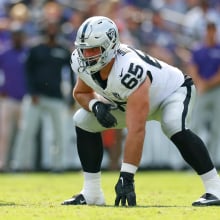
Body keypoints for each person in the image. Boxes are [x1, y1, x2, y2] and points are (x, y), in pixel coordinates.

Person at [61, 16, 220, 206]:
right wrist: (95, 105)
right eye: (84, 50)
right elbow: (80, 92)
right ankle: (92, 193)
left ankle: (215, 189)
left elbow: (136, 129)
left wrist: (126, 177)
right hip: (129, 101)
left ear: (110, 45)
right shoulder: (80, 61)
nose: (88, 56)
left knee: (173, 126)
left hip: (171, 93)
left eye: (94, 49)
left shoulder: (128, 68)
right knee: (83, 120)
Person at [11, 21, 72, 172]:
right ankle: (19, 164)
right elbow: (27, 72)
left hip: (56, 96)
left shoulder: (63, 49)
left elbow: (71, 74)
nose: (51, 29)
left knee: (59, 132)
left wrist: (71, 95)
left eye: (54, 27)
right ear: (44, 29)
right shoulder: (35, 48)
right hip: (36, 97)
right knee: (26, 131)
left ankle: (59, 165)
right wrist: (32, 92)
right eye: (49, 27)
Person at [188, 21, 220, 163]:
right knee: (195, 125)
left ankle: (212, 160)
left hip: (216, 90)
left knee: (216, 127)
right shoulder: (198, 49)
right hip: (201, 89)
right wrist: (201, 83)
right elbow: (193, 69)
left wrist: (207, 83)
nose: (210, 33)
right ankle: (197, 161)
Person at [0, 24, 28, 171]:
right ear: (12, 37)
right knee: (4, 134)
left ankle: (20, 164)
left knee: (23, 134)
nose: (17, 38)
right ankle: (2, 164)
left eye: (19, 35)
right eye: (15, 35)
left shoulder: (28, 53)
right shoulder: (4, 54)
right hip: (8, 98)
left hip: (25, 99)